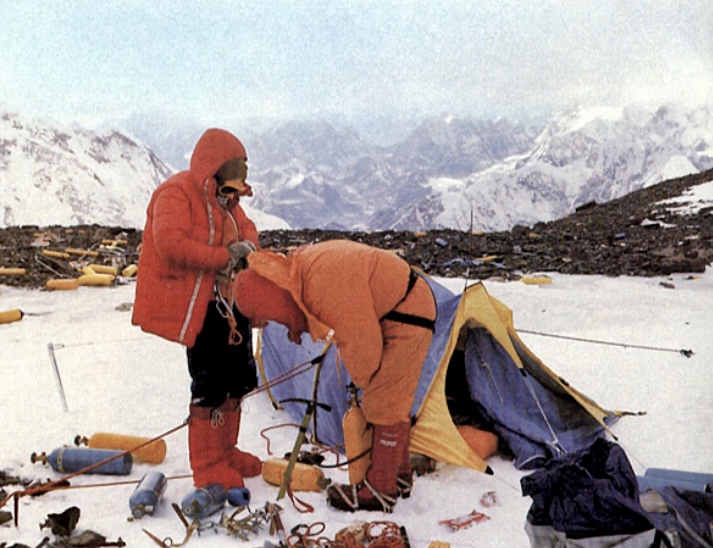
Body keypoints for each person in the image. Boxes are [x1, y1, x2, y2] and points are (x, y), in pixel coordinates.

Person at [233, 239, 437, 512]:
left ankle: (379, 491)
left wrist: (362, 385)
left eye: (269, 317)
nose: (273, 321)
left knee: (382, 401)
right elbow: (300, 308)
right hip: (401, 304)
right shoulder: (297, 273)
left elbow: (361, 343)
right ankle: (397, 477)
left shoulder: (323, 286)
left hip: (407, 312)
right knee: (391, 402)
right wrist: (295, 325)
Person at [131, 128, 262, 491]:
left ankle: (226, 450)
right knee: (210, 385)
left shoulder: (226, 201)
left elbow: (247, 228)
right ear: (214, 170)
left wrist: (247, 246)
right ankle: (207, 464)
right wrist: (224, 257)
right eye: (231, 182)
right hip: (200, 308)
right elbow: (170, 243)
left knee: (237, 379)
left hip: (229, 306)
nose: (235, 196)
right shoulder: (176, 193)